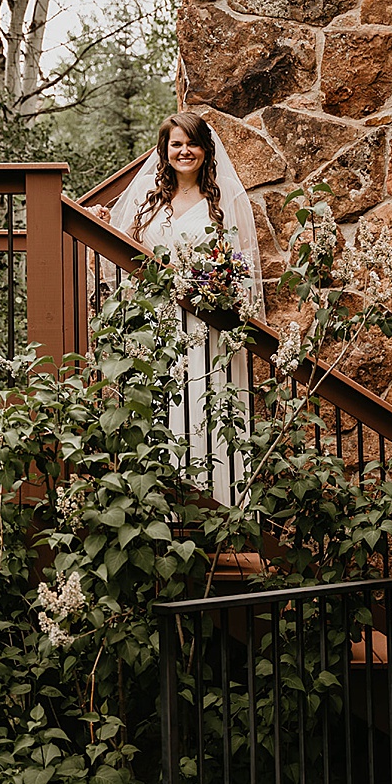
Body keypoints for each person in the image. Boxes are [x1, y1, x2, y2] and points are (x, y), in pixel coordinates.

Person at [103, 111, 266, 505]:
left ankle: (224, 507)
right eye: (176, 144)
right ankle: (168, 512)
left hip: (209, 325)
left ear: (206, 149)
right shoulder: (148, 196)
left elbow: (243, 264)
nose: (184, 151)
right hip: (158, 326)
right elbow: (122, 257)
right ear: (165, 150)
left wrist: (220, 291)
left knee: (210, 408)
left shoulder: (226, 198)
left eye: (192, 143)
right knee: (163, 409)